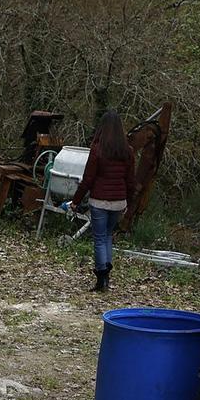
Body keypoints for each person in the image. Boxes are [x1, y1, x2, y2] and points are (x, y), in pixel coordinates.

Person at [70, 110, 140, 291]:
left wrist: (76, 200)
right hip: (119, 201)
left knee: (100, 238)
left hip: (100, 200)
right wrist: (128, 202)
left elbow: (88, 179)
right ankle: (106, 272)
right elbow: (131, 181)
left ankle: (102, 277)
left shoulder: (97, 150)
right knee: (108, 236)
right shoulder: (128, 152)